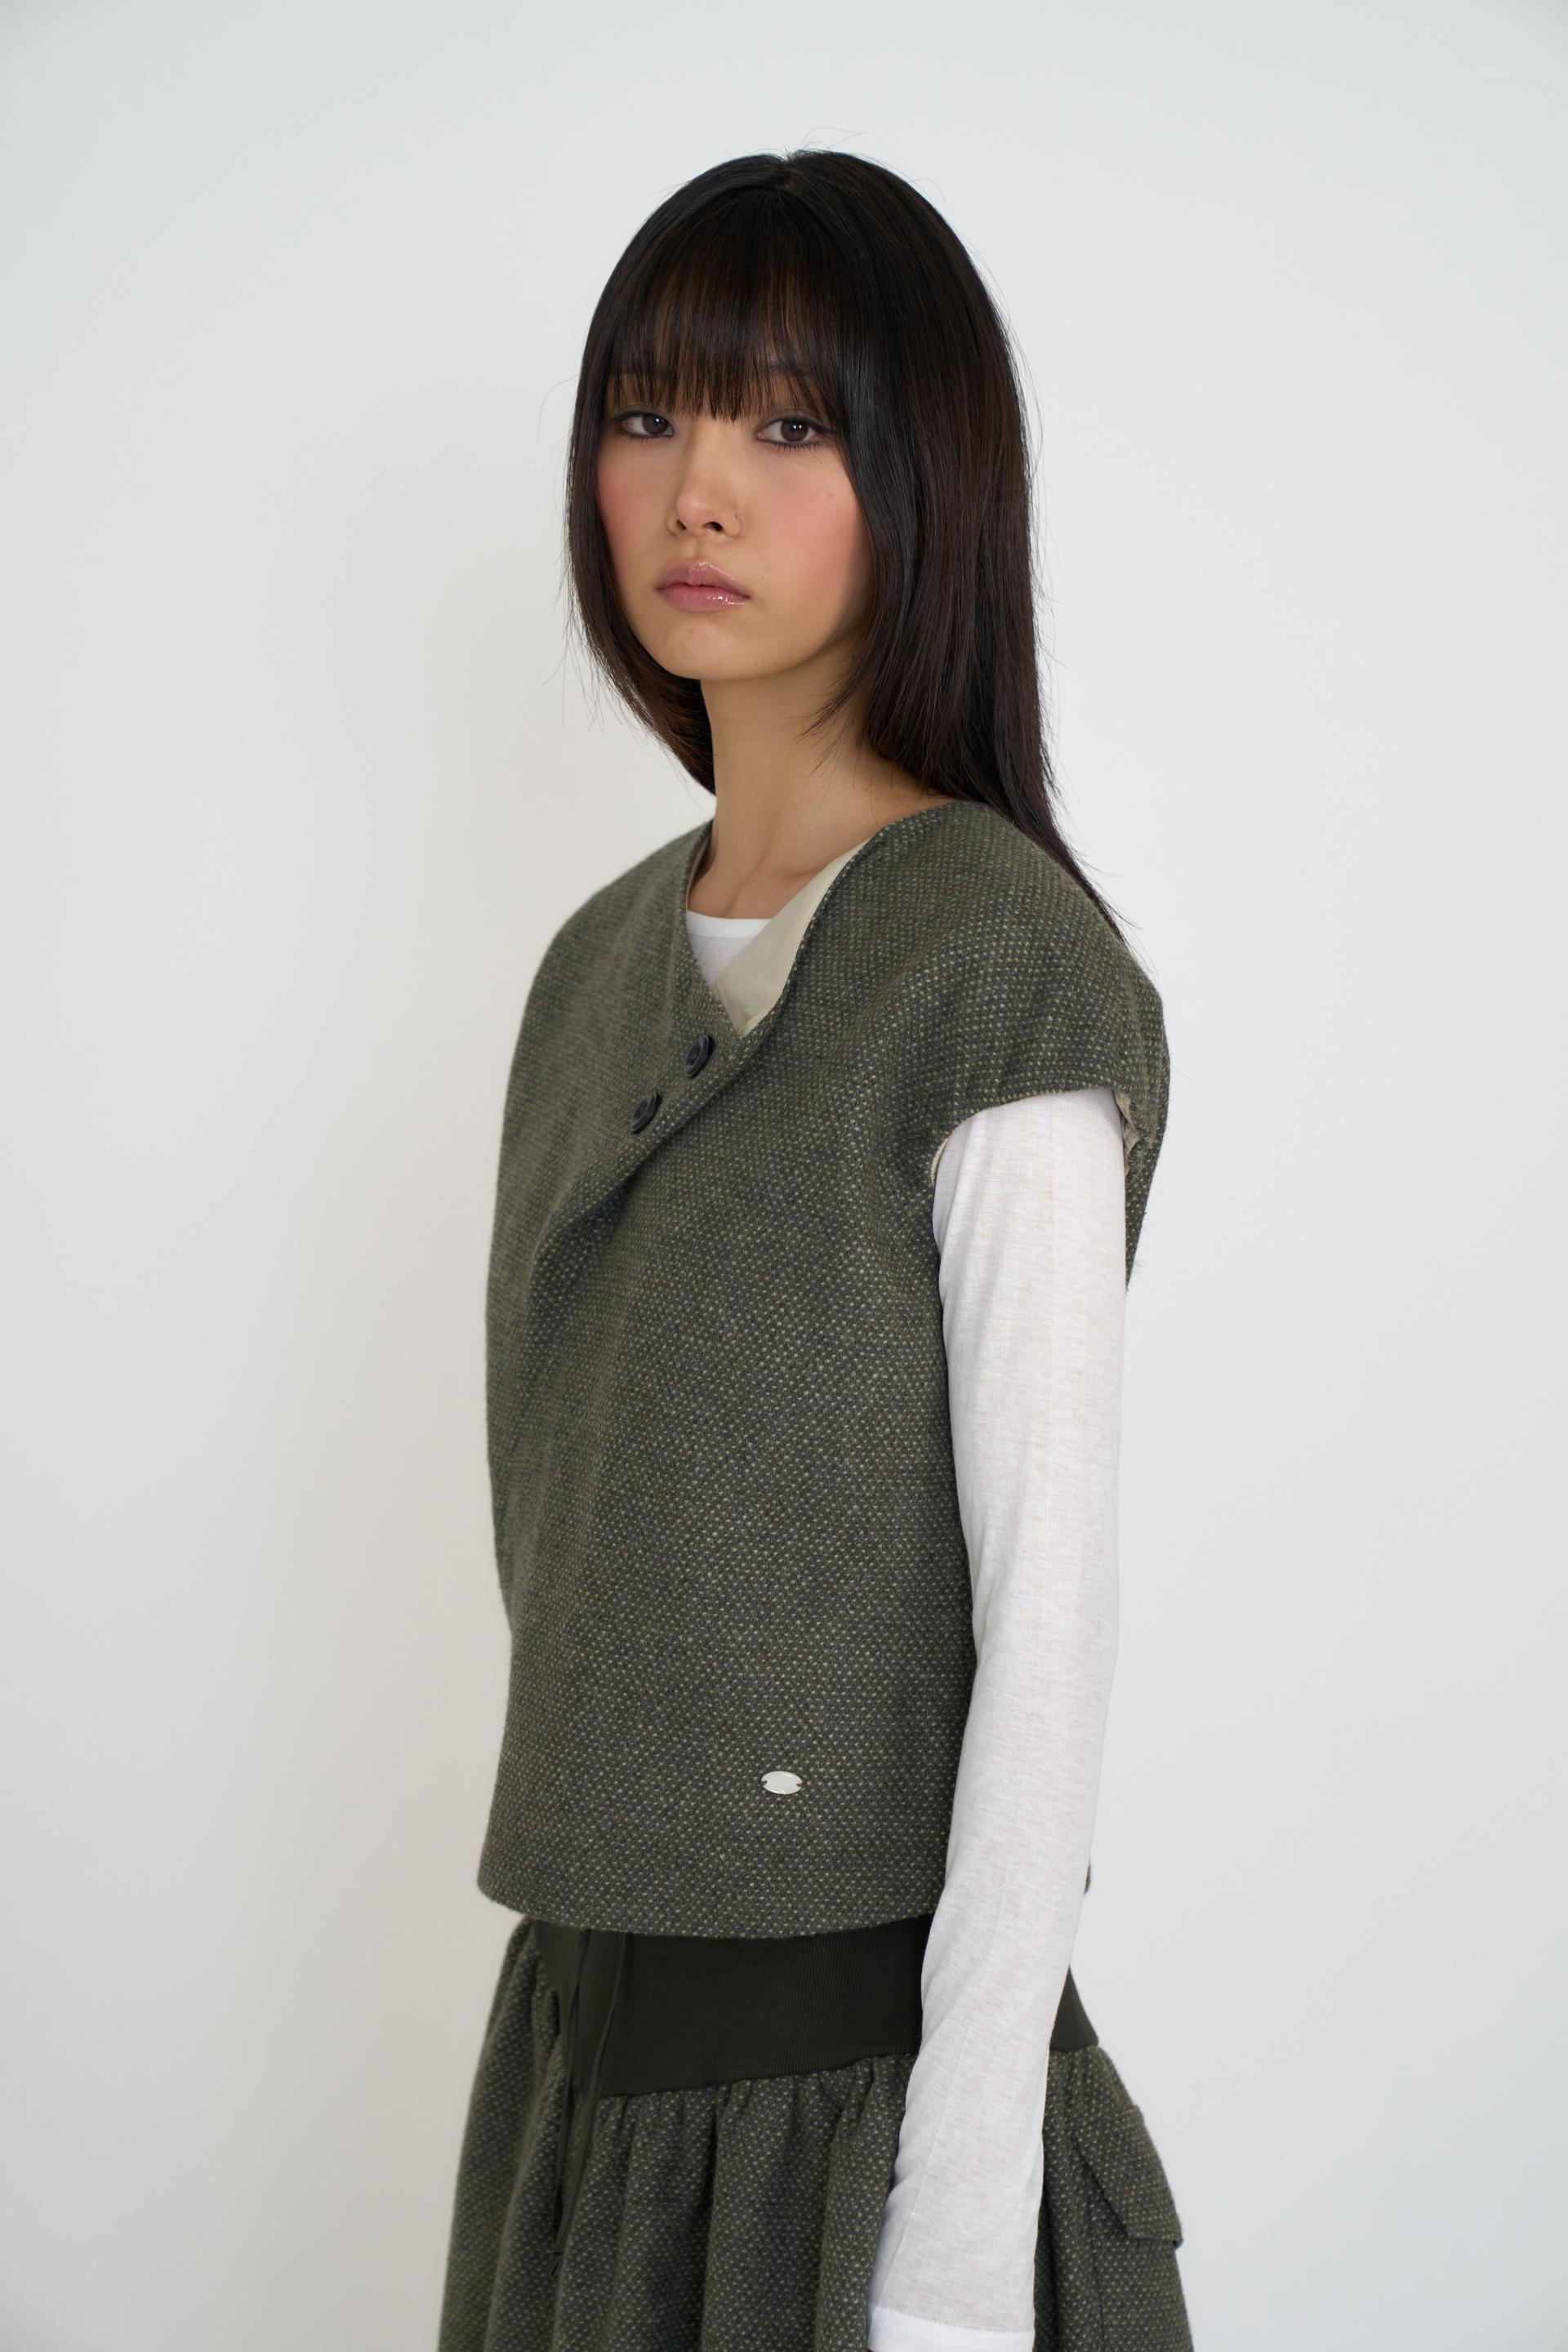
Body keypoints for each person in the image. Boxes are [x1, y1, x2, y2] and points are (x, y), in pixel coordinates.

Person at [437, 149, 1193, 2352]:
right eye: (648, 413)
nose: (699, 489)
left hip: (858, 2118)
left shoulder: (994, 965)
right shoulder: (594, 971)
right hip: (582, 2083)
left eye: (790, 425)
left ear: (923, 479)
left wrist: (948, 2262)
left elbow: (1048, 1634)